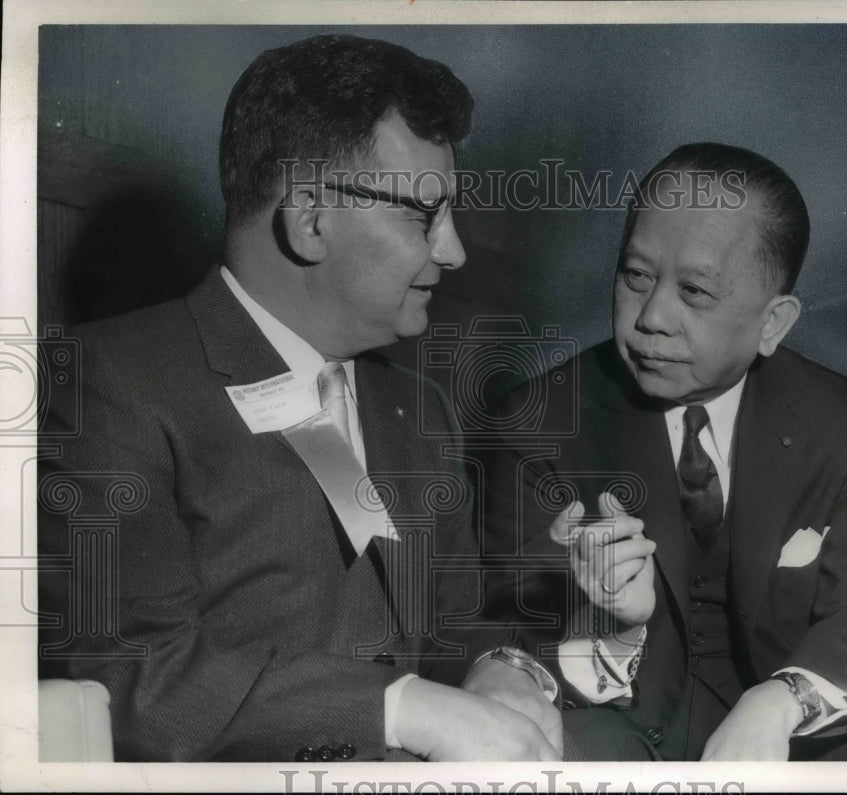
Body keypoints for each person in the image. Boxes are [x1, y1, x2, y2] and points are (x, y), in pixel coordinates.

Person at [37, 34, 562, 763]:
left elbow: (455, 621)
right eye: (425, 215)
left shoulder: (421, 411)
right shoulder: (109, 380)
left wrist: (499, 669)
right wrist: (400, 708)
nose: (454, 252)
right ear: (310, 218)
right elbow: (131, 672)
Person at [483, 142, 847, 761]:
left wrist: (778, 702)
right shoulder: (536, 420)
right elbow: (504, 637)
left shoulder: (846, 421)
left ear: (773, 324)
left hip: (783, 732)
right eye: (636, 276)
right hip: (618, 725)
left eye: (695, 292)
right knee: (547, 748)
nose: (651, 316)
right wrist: (613, 623)